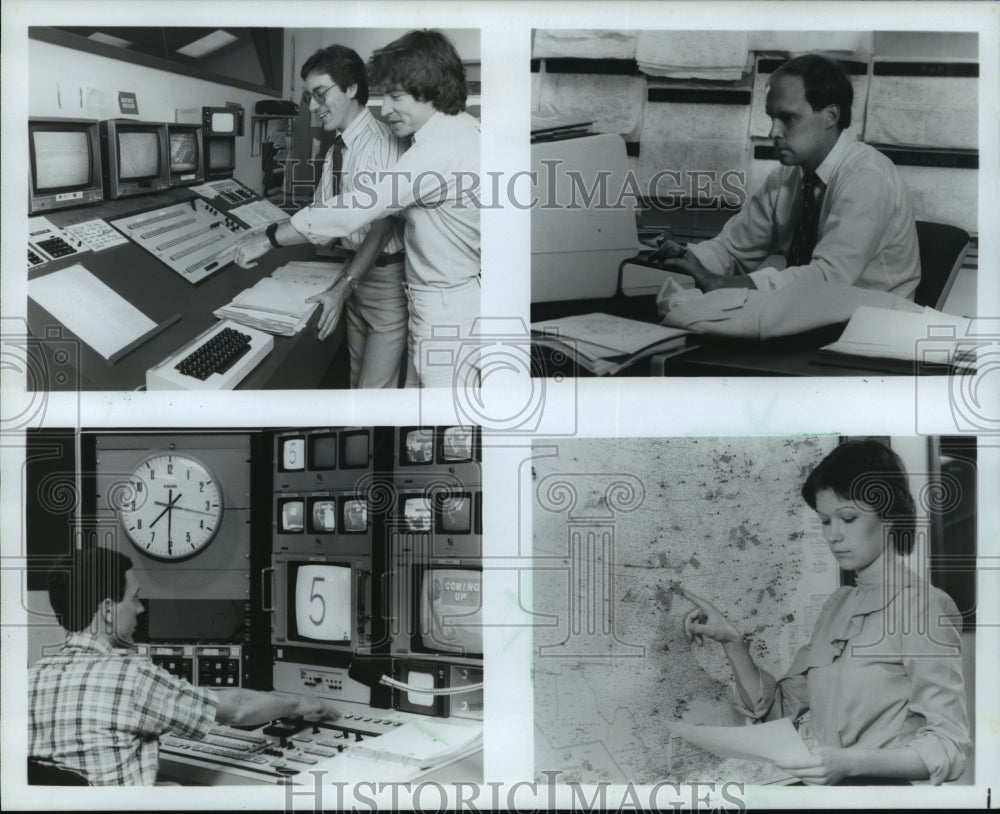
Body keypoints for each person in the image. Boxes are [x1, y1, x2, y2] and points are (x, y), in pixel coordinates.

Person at [678, 440, 970, 785]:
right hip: (822, 797)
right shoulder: (837, 604)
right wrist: (732, 642)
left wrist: (848, 763)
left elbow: (949, 746)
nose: (833, 535)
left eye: (848, 518)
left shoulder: (924, 606)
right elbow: (780, 708)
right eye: (825, 521)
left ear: (889, 516)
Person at [235, 30, 480, 389]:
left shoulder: (440, 149)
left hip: (442, 303)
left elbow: (357, 210)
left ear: (429, 88)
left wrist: (269, 238)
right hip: (430, 296)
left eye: (396, 96)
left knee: (432, 411)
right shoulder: (448, 136)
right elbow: (331, 208)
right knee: (406, 401)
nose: (386, 108)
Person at [28, 547, 340, 785]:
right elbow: (237, 709)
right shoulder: (130, 676)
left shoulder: (31, 679)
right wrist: (298, 703)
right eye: (134, 598)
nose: (140, 609)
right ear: (108, 610)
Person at [651, 54, 921, 300]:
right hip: (813, 316)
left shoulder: (868, 175)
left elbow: (827, 278)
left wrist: (724, 284)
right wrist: (687, 258)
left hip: (870, 323)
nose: (773, 133)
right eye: (771, 118)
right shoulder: (786, 178)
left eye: (787, 118)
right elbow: (732, 249)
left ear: (831, 116)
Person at [247, 45, 408, 388]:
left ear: (351, 88)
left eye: (320, 94)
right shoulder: (337, 148)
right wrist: (269, 227)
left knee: (374, 394)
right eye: (310, 97)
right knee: (355, 380)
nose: (313, 107)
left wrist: (270, 239)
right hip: (352, 274)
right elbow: (322, 216)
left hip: (382, 281)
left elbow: (383, 225)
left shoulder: (381, 143)